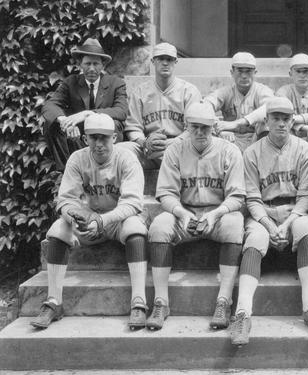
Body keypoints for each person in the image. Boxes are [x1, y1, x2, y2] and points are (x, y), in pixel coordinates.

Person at [30, 114, 148, 329]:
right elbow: (65, 200)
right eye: (94, 138)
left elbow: (133, 204)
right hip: (88, 220)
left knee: (135, 227)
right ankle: (54, 301)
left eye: (105, 137)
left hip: (117, 219)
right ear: (85, 139)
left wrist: (101, 221)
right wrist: (75, 217)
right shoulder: (77, 158)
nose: (99, 143)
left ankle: (138, 302)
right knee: (58, 229)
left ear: (115, 137)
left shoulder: (127, 158)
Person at [230, 97, 308, 347]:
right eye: (276, 118)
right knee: (256, 237)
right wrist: (271, 225)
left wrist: (288, 223)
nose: (281, 124)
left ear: (293, 121)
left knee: (305, 228)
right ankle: (242, 314)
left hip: (295, 209)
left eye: (286, 119)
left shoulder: (305, 149)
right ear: (266, 120)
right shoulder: (252, 152)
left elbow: (307, 196)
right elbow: (251, 198)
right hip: (263, 211)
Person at [146, 103, 245, 331]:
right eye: (194, 127)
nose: (200, 132)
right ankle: (161, 302)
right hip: (185, 211)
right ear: (185, 127)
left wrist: (216, 214)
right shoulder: (175, 150)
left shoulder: (229, 151)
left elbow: (237, 196)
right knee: (159, 225)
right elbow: (166, 193)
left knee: (235, 223)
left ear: (214, 128)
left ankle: (224, 301)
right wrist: (180, 213)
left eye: (205, 128)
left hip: (217, 213)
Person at [42, 38, 128, 171]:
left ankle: (107, 169)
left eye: (96, 64)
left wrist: (88, 113)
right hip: (78, 134)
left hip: (104, 135)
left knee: (115, 123)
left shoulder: (116, 83)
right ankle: (68, 171)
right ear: (80, 65)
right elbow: (49, 105)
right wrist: (65, 122)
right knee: (52, 124)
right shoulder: (71, 82)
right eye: (87, 64)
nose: (92, 69)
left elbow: (121, 111)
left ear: (103, 65)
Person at [120, 42, 201, 168]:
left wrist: (174, 142)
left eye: (169, 59)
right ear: (153, 61)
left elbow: (194, 128)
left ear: (176, 62)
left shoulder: (189, 91)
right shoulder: (140, 92)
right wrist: (144, 142)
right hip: (149, 147)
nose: (165, 63)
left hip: (181, 146)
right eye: (160, 59)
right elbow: (133, 127)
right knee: (122, 150)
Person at [203, 52, 274, 152]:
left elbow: (271, 107)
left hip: (257, 141)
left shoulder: (262, 90)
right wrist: (218, 127)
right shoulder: (226, 91)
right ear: (232, 72)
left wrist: (236, 123)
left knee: (268, 124)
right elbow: (204, 106)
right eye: (240, 71)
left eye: (248, 71)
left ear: (255, 72)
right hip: (231, 140)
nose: (244, 76)